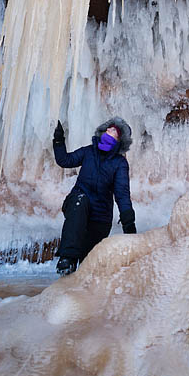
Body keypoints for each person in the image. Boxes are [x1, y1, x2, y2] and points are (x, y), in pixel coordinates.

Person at [53, 116, 136, 275]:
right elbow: (64, 160)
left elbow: (122, 194)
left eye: (115, 130)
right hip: (78, 207)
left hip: (100, 218)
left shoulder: (119, 163)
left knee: (87, 269)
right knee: (80, 200)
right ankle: (67, 259)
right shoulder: (88, 151)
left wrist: (129, 222)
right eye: (108, 128)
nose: (110, 130)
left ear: (120, 140)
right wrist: (58, 140)